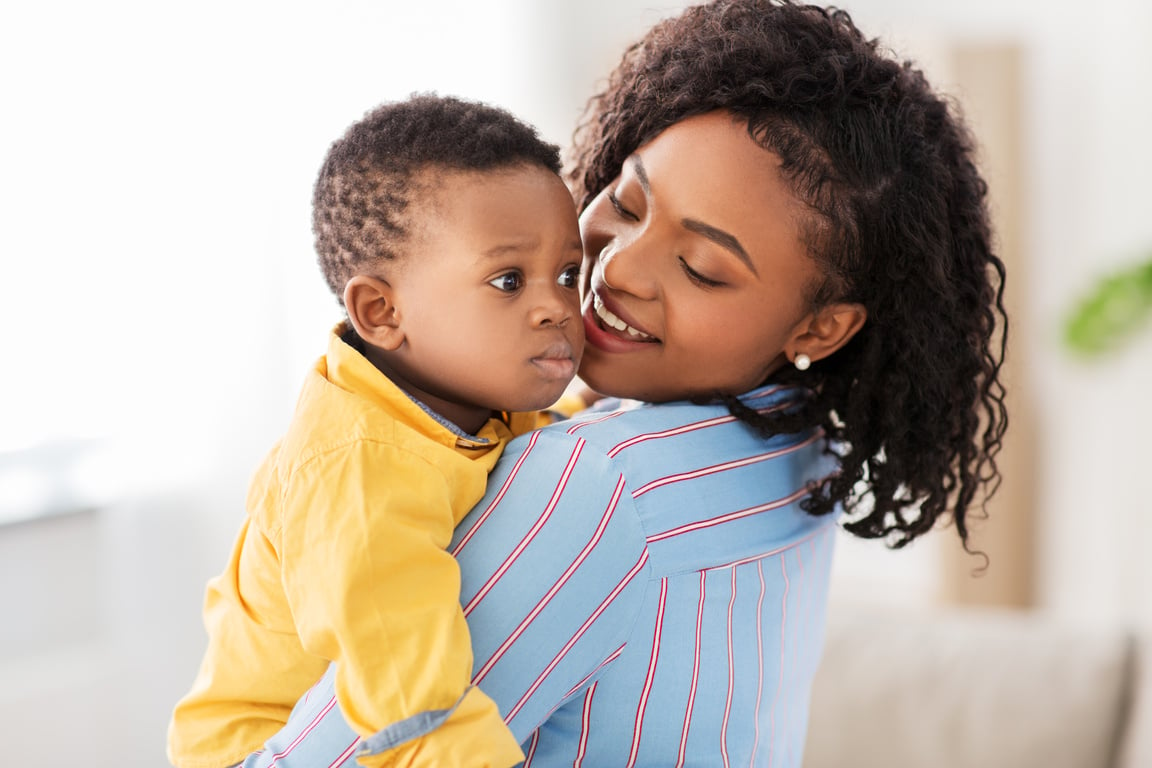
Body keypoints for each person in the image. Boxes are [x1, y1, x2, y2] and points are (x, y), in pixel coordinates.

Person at [236, 0, 1009, 765]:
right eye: (629, 202)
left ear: (820, 328)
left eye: (703, 270)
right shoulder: (800, 444)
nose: (617, 268)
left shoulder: (595, 481)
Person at [166, 94, 587, 768]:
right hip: (259, 750)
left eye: (569, 274)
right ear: (381, 310)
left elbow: (550, 445)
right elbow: (409, 703)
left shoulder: (475, 390)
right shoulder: (356, 470)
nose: (556, 308)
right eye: (509, 280)